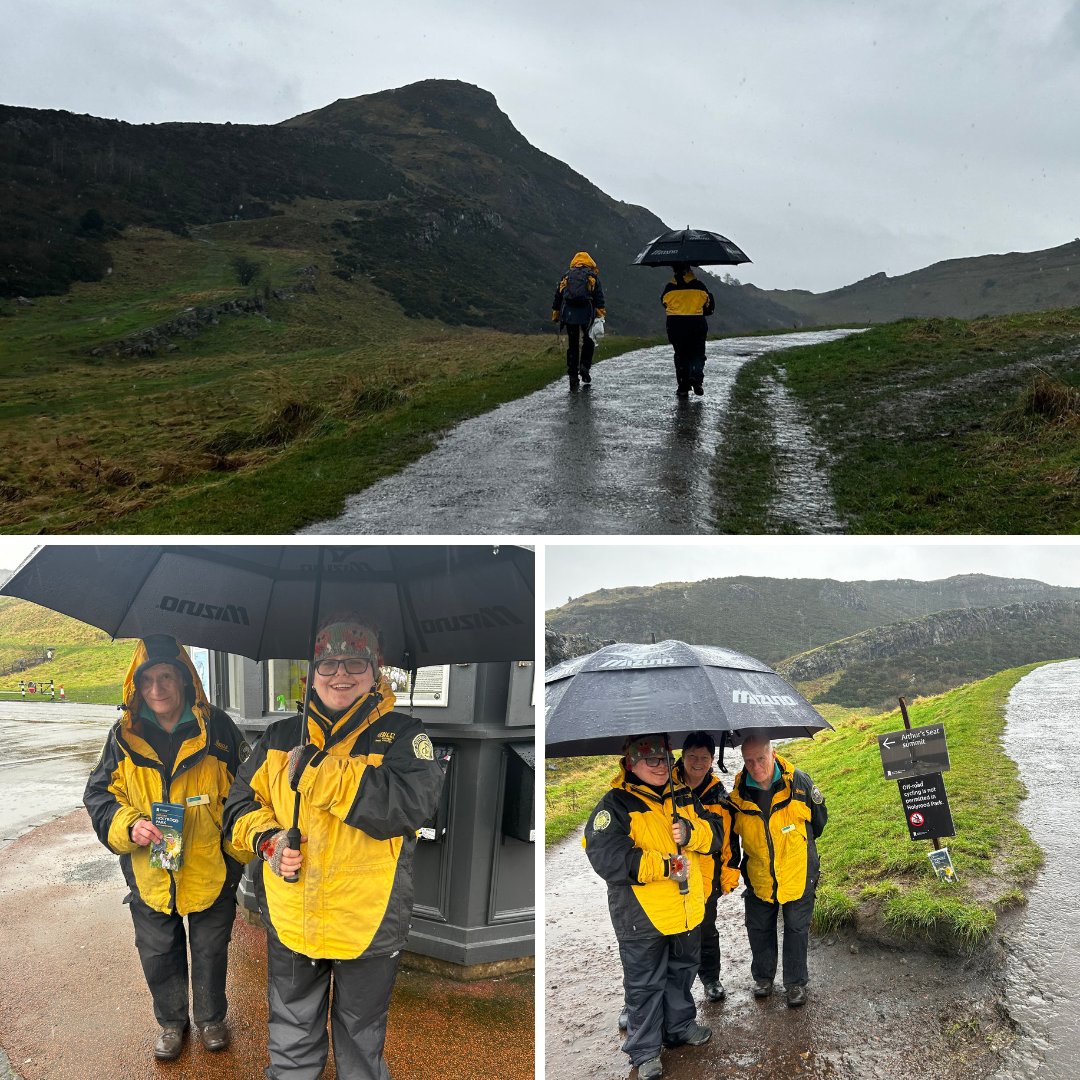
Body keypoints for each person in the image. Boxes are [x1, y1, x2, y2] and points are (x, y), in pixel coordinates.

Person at [223, 616, 445, 1080]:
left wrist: (319, 773)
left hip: (368, 919)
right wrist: (268, 841)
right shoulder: (280, 738)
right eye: (328, 664)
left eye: (354, 663)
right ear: (311, 672)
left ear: (375, 670)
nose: (340, 674)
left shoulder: (406, 737)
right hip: (291, 915)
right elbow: (239, 807)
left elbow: (407, 808)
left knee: (361, 1036)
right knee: (290, 1029)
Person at [83, 634, 251, 1061]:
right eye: (148, 681)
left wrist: (236, 850)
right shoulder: (122, 737)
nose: (157, 689)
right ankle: (172, 1023)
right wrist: (130, 824)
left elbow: (248, 791)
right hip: (151, 871)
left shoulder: (220, 730)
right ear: (136, 688)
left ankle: (211, 1019)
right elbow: (100, 796)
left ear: (185, 680)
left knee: (211, 950)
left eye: (166, 677)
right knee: (158, 952)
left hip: (211, 866)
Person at [584, 733, 725, 1080]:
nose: (661, 766)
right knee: (644, 982)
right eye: (651, 760)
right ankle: (644, 1050)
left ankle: (678, 1027)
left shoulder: (684, 797)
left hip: (686, 909)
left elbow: (717, 835)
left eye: (664, 759)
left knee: (682, 973)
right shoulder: (614, 805)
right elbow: (606, 856)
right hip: (641, 915)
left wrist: (692, 833)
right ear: (631, 762)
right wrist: (664, 866)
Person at [727, 732, 828, 1008]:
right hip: (759, 875)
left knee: (796, 928)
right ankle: (763, 978)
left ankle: (795, 984)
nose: (756, 767)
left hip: (797, 871)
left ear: (772, 754)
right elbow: (731, 839)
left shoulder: (799, 782)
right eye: (749, 761)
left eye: (761, 758)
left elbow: (819, 822)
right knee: (759, 927)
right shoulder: (738, 794)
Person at [673, 732, 741, 1001]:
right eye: (692, 756)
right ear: (682, 757)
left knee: (706, 930)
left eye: (704, 757)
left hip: (706, 877)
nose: (697, 763)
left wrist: (728, 876)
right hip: (673, 873)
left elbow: (729, 842)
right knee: (670, 931)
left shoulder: (718, 795)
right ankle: (673, 987)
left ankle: (710, 978)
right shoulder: (666, 786)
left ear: (712, 760)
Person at [551, 251, 606, 391]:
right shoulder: (592, 276)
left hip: (569, 315)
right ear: (589, 262)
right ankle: (585, 367)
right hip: (587, 314)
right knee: (589, 341)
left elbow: (559, 295)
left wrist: (556, 314)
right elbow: (599, 297)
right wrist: (600, 314)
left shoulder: (567, 275)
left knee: (573, 344)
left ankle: (573, 376)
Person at [661, 263, 715, 398]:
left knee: (680, 355)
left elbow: (664, 302)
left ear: (674, 270)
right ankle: (696, 378)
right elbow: (709, 307)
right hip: (696, 323)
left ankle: (683, 386)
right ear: (689, 270)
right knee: (698, 353)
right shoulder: (700, 286)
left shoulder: (669, 288)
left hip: (675, 324)